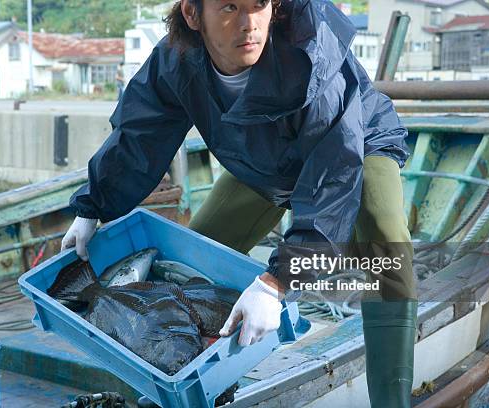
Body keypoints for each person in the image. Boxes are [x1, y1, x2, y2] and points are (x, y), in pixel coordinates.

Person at [60, 0, 417, 406]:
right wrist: (93, 204)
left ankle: (393, 399)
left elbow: (332, 177)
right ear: (193, 15)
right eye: (229, 7)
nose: (249, 25)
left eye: (258, 5)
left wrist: (277, 284)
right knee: (192, 261)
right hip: (263, 159)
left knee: (387, 247)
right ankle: (185, 381)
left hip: (355, 145)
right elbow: (138, 134)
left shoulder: (310, 56)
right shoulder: (177, 60)